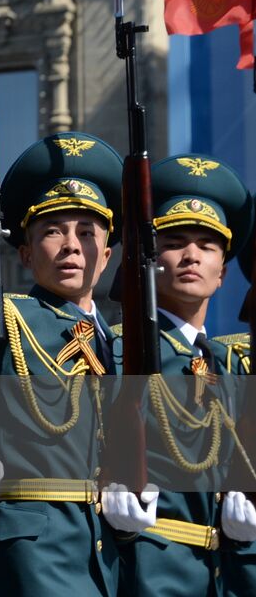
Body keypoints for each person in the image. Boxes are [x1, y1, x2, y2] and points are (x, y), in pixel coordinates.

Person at [0, 132, 136, 596]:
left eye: (87, 232)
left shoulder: (124, 346)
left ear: (108, 255)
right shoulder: (4, 321)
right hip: (33, 557)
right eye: (53, 231)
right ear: (25, 253)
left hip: (110, 559)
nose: (71, 246)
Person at [114, 154, 256, 595]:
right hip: (146, 571)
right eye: (174, 242)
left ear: (222, 273)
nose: (191, 256)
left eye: (207, 247)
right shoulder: (118, 352)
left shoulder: (232, 365)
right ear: (150, 259)